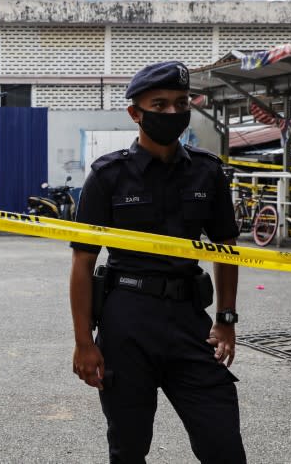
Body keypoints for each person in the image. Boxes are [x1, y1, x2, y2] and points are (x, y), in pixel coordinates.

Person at [69, 61, 245, 463]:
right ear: (135, 112)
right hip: (126, 323)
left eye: (180, 104)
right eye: (159, 104)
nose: (171, 113)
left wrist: (227, 320)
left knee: (223, 445)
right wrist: (83, 343)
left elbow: (226, 248)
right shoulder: (108, 176)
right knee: (128, 448)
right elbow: (82, 262)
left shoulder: (208, 172)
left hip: (190, 321)